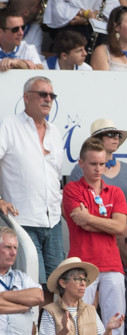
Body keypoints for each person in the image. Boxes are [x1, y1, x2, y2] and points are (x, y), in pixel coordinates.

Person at [0, 77, 63, 280]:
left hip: (53, 221)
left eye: (51, 95)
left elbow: (55, 177)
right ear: (26, 97)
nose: (48, 99)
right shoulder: (9, 125)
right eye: (42, 94)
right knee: (31, 282)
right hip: (22, 220)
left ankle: (45, 315)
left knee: (55, 285)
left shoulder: (55, 132)